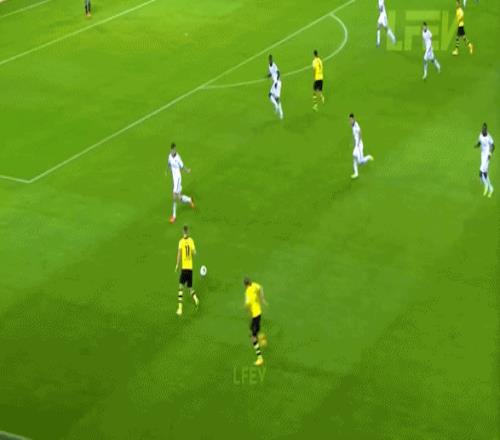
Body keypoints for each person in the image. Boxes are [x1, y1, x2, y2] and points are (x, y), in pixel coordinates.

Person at [167, 142, 195, 224]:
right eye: (172, 150)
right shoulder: (169, 156)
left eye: (174, 149)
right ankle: (189, 200)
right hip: (174, 179)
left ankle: (174, 216)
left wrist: (187, 170)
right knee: (179, 197)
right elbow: (169, 163)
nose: (173, 151)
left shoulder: (178, 158)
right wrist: (167, 170)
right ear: (171, 150)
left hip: (178, 179)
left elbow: (182, 166)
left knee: (174, 196)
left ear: (175, 149)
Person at [175, 225, 199, 316]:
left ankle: (180, 309)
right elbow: (194, 253)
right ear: (188, 232)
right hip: (190, 269)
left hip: (184, 268)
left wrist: (177, 265)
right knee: (190, 287)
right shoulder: (191, 240)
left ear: (183, 232)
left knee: (180, 287)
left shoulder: (181, 242)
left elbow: (179, 255)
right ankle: (196, 299)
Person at [243, 277, 267, 366]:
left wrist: (246, 308)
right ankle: (260, 337)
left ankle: (260, 358)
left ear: (245, 285)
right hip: (259, 312)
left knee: (253, 338)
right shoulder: (254, 285)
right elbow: (261, 288)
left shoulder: (247, 292)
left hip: (255, 315)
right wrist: (262, 299)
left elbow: (247, 303)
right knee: (252, 328)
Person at [349, 113, 374, 179]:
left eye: (351, 119)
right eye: (349, 120)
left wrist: (358, 142)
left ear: (354, 119)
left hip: (359, 145)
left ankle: (368, 157)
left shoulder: (356, 125)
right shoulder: (352, 125)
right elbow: (355, 135)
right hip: (356, 145)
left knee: (360, 162)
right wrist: (353, 142)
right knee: (354, 157)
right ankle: (356, 173)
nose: (350, 121)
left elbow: (360, 132)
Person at [475, 123, 495, 197]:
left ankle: (487, 186)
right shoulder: (480, 135)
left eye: (484, 129)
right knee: (484, 173)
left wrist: (490, 154)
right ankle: (490, 188)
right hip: (482, 156)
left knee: (481, 173)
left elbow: (493, 146)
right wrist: (477, 145)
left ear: (486, 130)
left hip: (487, 156)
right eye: (482, 129)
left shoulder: (489, 137)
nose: (483, 130)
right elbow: (480, 142)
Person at [267, 55, 284, 119]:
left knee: (270, 95)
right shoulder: (269, 66)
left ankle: (276, 106)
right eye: (269, 60)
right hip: (277, 83)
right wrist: (268, 76)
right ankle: (281, 114)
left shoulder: (274, 65)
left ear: (272, 59)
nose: (270, 60)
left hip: (277, 83)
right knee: (277, 99)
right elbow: (271, 73)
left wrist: (276, 81)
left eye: (271, 59)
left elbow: (278, 73)